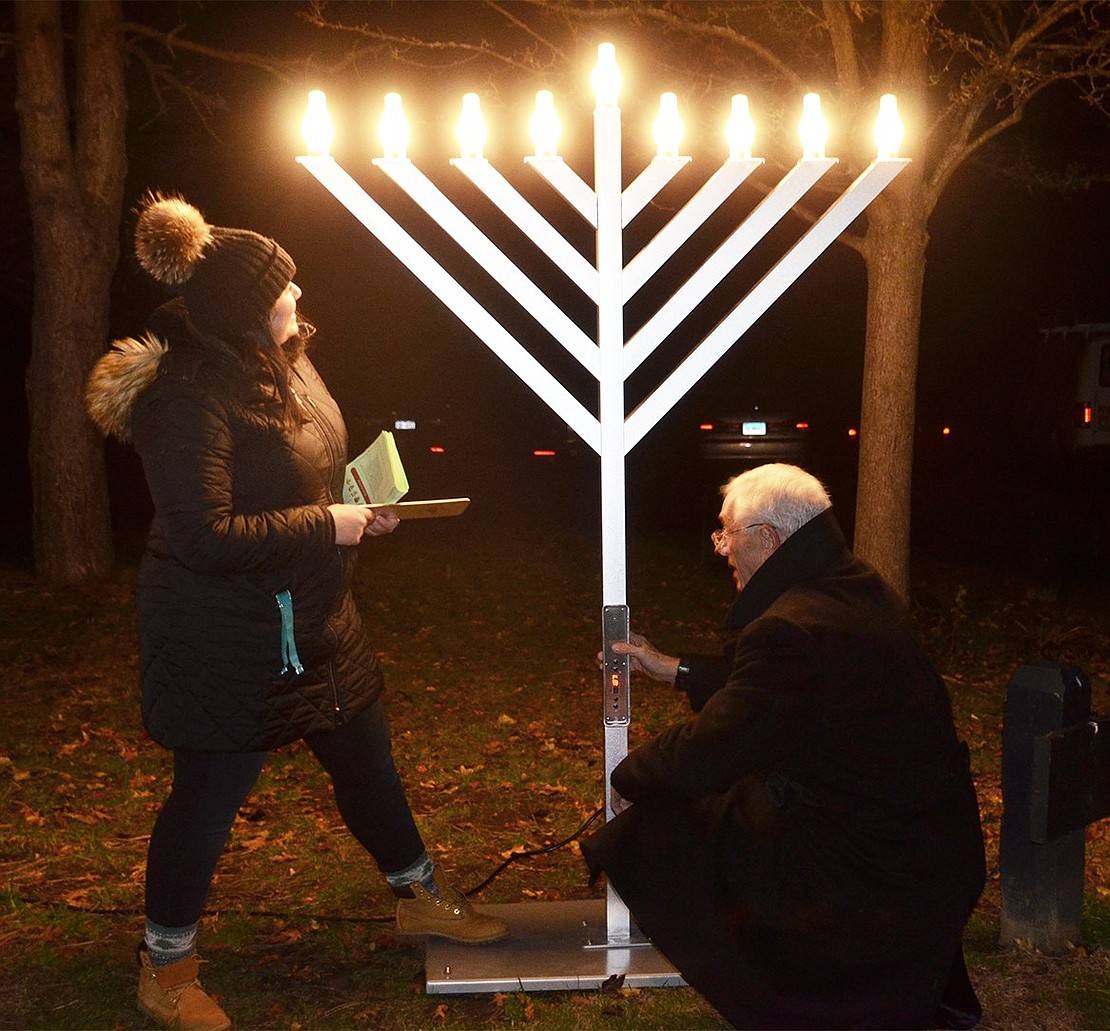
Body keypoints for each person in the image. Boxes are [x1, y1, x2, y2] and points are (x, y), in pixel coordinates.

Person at [85, 194, 507, 1031]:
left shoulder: (291, 358)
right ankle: (166, 967)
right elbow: (203, 534)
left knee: (367, 757)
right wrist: (327, 522)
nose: (299, 296)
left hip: (316, 612)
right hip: (222, 633)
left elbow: (300, 466)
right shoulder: (186, 395)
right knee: (209, 794)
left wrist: (357, 498)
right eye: (283, 290)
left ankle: (418, 897)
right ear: (246, 308)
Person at [582, 463, 985, 1030]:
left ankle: (777, 989)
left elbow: (716, 746)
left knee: (673, 822)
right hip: (931, 843)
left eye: (727, 533)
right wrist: (675, 669)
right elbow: (780, 696)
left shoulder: (792, 628)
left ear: (769, 539)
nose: (720, 548)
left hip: (877, 864)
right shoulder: (852, 588)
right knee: (743, 800)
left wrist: (629, 778)